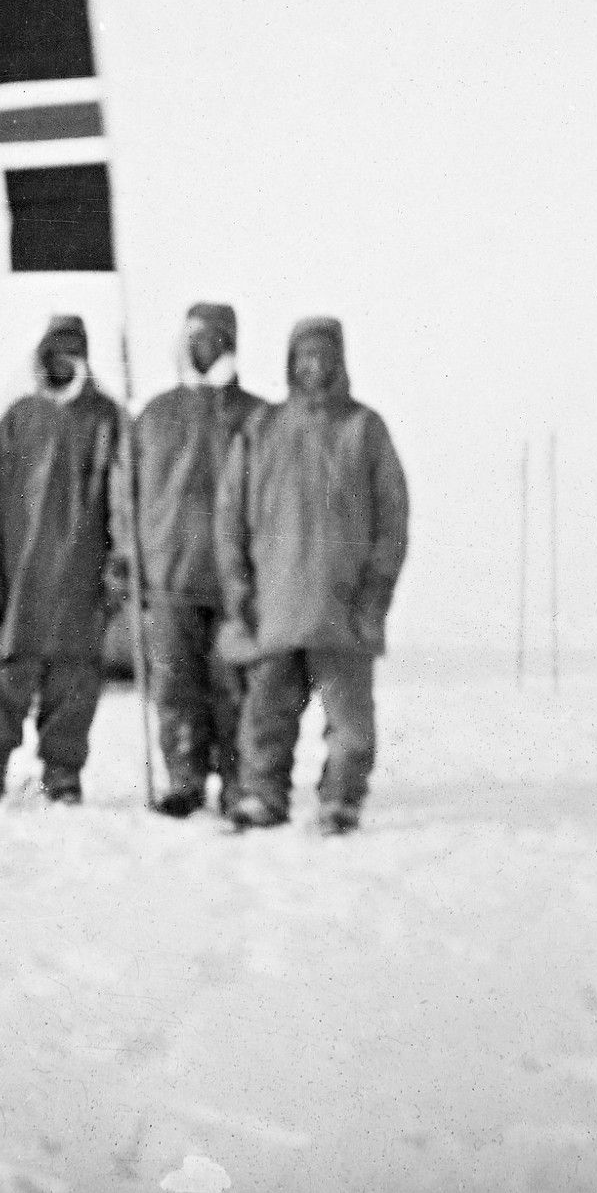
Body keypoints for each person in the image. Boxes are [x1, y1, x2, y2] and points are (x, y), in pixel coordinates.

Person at [214, 317, 409, 835]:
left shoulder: (364, 430)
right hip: (273, 609)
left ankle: (341, 799)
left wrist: (374, 597)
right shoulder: (261, 429)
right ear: (290, 362)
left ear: (340, 361)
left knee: (351, 725)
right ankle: (262, 796)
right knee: (265, 720)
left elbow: (392, 523)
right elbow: (229, 517)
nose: (314, 366)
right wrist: (239, 592)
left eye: (324, 355)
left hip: (342, 611)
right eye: (305, 356)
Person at [0, 315, 123, 809]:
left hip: (80, 578)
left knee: (73, 687)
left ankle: (62, 776)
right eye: (53, 354)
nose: (61, 364)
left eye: (71, 354)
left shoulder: (106, 420)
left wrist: (119, 569)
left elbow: (123, 501)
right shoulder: (19, 419)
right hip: (21, 581)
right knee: (5, 685)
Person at [113, 303, 265, 818]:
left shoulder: (256, 417)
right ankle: (183, 780)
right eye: (196, 341)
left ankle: (238, 782)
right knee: (175, 688)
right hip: (168, 576)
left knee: (234, 689)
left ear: (230, 345)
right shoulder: (153, 417)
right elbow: (125, 494)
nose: (205, 350)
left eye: (215, 341)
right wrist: (127, 555)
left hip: (235, 582)